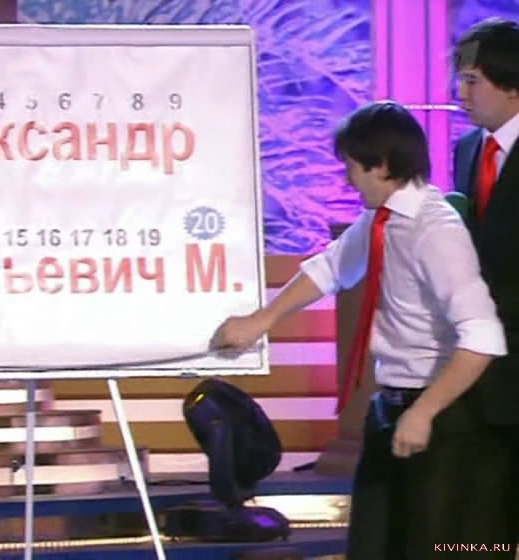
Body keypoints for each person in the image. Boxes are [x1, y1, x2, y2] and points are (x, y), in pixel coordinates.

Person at [211, 101, 507, 559]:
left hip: (441, 420)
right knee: (371, 544)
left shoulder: (436, 232)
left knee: (432, 546)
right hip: (389, 408)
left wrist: (424, 412)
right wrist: (261, 321)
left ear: (382, 165)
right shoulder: (380, 221)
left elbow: (483, 337)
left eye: (351, 167)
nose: (347, 179)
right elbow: (330, 268)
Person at [452, 17, 519, 556]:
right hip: (481, 369)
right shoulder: (467, 150)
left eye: (473, 80)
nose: (461, 93)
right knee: (480, 529)